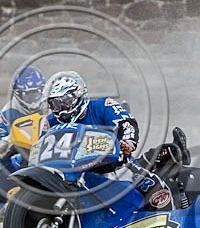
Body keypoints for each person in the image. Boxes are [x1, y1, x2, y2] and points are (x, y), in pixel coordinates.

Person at [43, 70, 182, 211]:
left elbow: (126, 123)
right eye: (55, 105)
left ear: (78, 95)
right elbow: (41, 145)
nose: (60, 110)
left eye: (64, 102)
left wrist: (127, 142)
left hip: (115, 166)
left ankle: (173, 220)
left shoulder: (102, 105)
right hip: (72, 173)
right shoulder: (51, 121)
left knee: (151, 186)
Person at [0, 65, 47, 164]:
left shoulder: (52, 104)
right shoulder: (8, 112)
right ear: (17, 93)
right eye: (28, 94)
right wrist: (12, 139)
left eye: (36, 93)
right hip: (23, 158)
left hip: (51, 152)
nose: (33, 98)